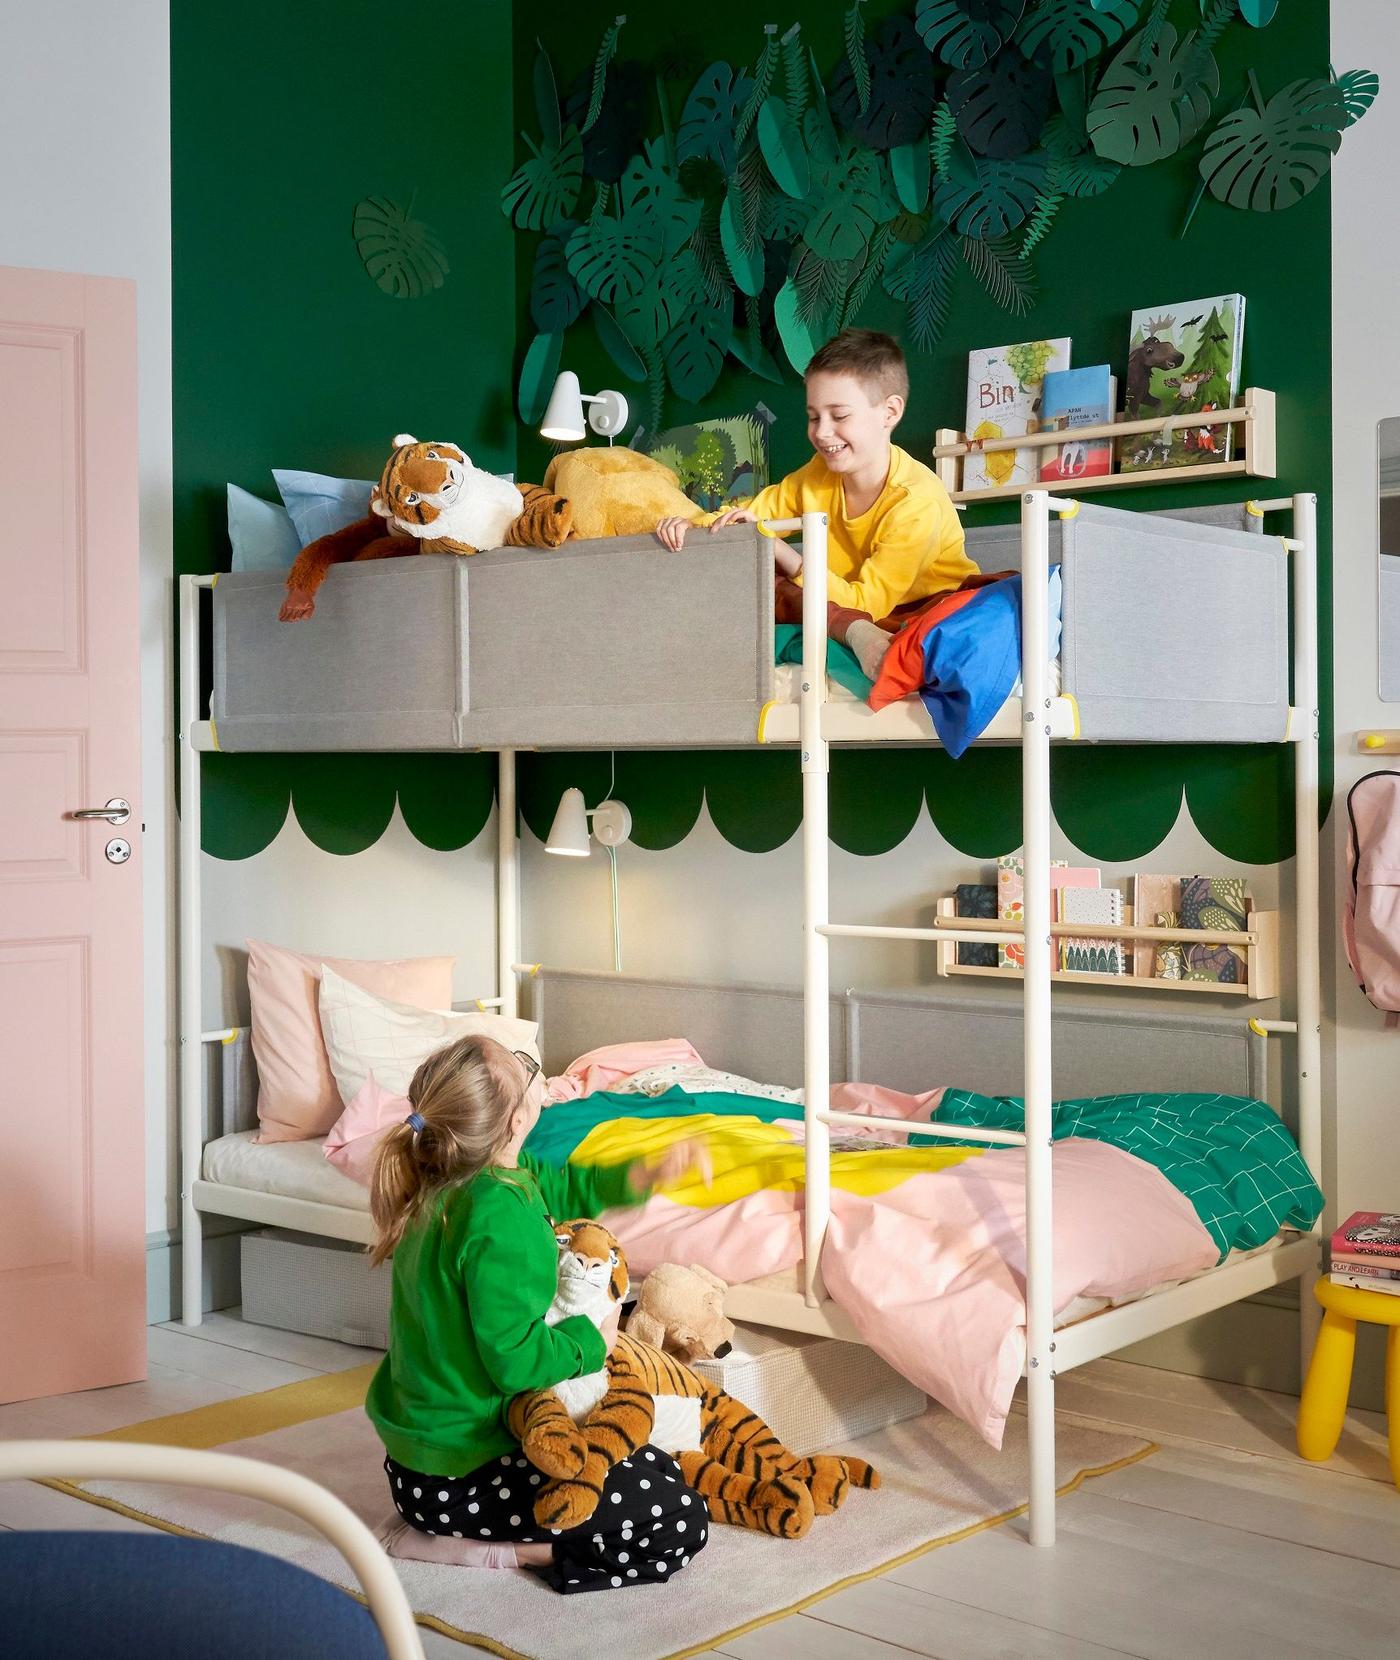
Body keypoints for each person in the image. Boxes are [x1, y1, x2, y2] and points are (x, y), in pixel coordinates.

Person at [365, 1034, 713, 1594]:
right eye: (527, 1067)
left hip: (426, 1466)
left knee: (661, 1467)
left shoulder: (462, 1174)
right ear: (515, 1118)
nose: (538, 1073)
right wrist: (593, 1340)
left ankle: (451, 1527)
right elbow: (515, 1361)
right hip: (460, 1480)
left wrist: (640, 1175)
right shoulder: (496, 1217)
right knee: (678, 1520)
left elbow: (565, 1182)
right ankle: (497, 1553)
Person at [655, 328, 977, 677]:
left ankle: (857, 633)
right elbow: (754, 512)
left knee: (783, 570)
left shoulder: (916, 502)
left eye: (839, 416)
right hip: (839, 604)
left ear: (889, 412)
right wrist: (695, 524)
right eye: (813, 416)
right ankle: (846, 630)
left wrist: (785, 554)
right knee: (755, 573)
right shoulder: (818, 473)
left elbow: (866, 602)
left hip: (918, 609)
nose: (822, 432)